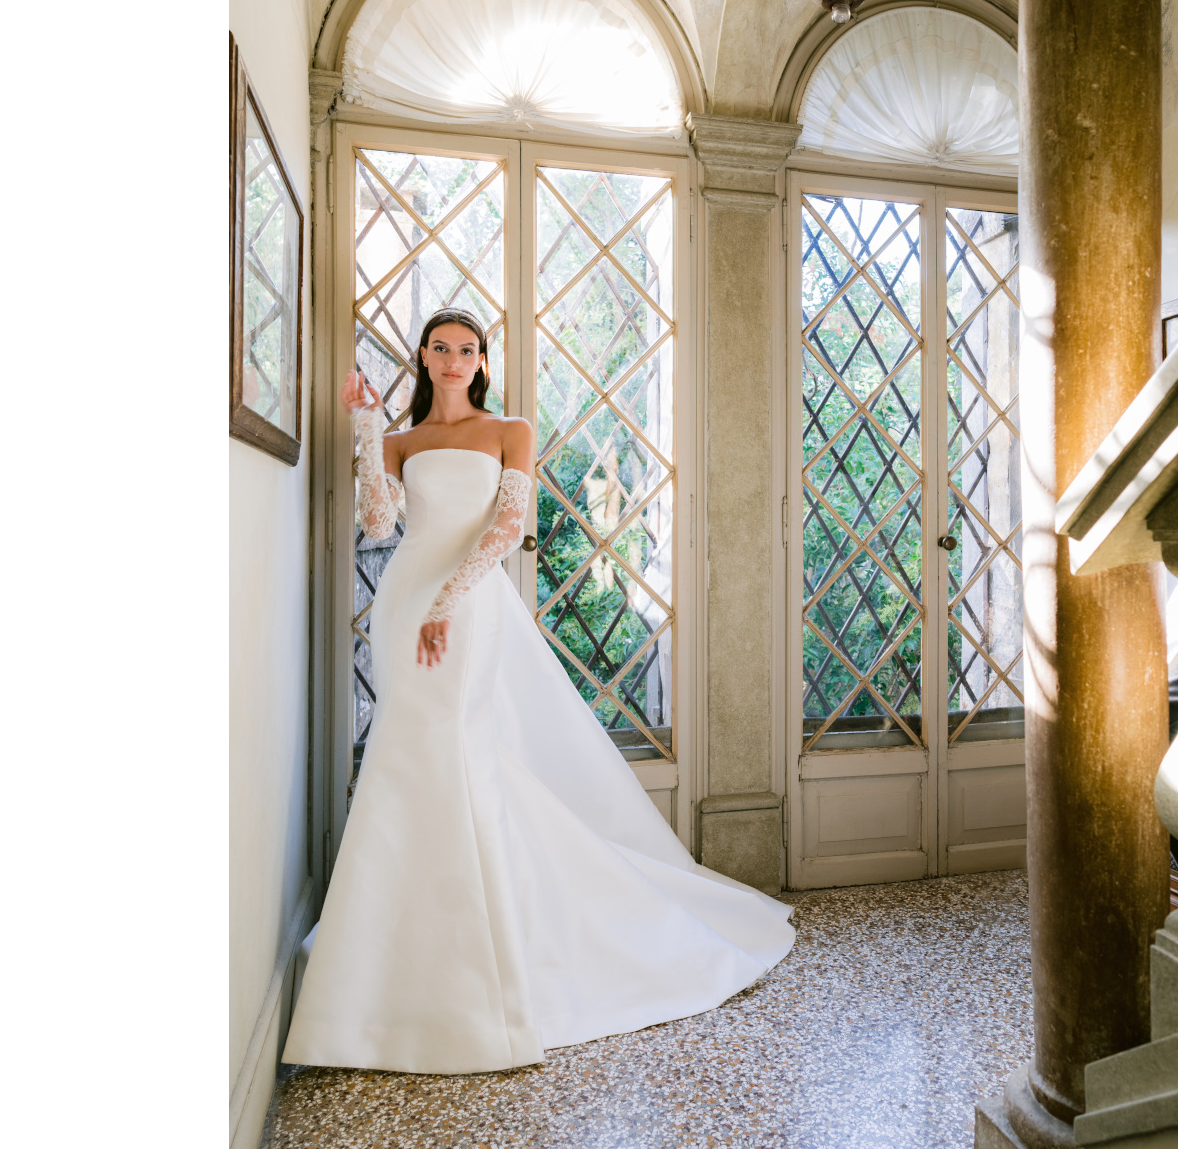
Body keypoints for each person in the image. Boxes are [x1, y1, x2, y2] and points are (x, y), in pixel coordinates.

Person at [281, 307, 795, 1074]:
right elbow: (380, 523)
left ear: (482, 362)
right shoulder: (401, 441)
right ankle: (384, 969)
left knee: (457, 751)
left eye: (468, 350)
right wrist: (364, 427)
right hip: (402, 609)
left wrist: (450, 601)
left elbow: (506, 529)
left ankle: (480, 967)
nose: (455, 360)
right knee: (402, 760)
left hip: (469, 606)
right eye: (442, 349)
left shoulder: (508, 430)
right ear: (423, 359)